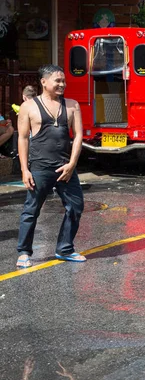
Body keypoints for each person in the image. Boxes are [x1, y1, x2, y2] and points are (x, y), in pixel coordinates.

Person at [16, 65, 85, 268]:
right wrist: (24, 169)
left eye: (63, 81)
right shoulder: (29, 107)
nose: (62, 84)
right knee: (31, 210)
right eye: (57, 81)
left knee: (76, 207)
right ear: (43, 82)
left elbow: (79, 134)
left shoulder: (72, 105)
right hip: (39, 167)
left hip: (65, 168)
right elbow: (22, 138)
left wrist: (72, 164)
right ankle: (24, 252)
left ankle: (65, 249)